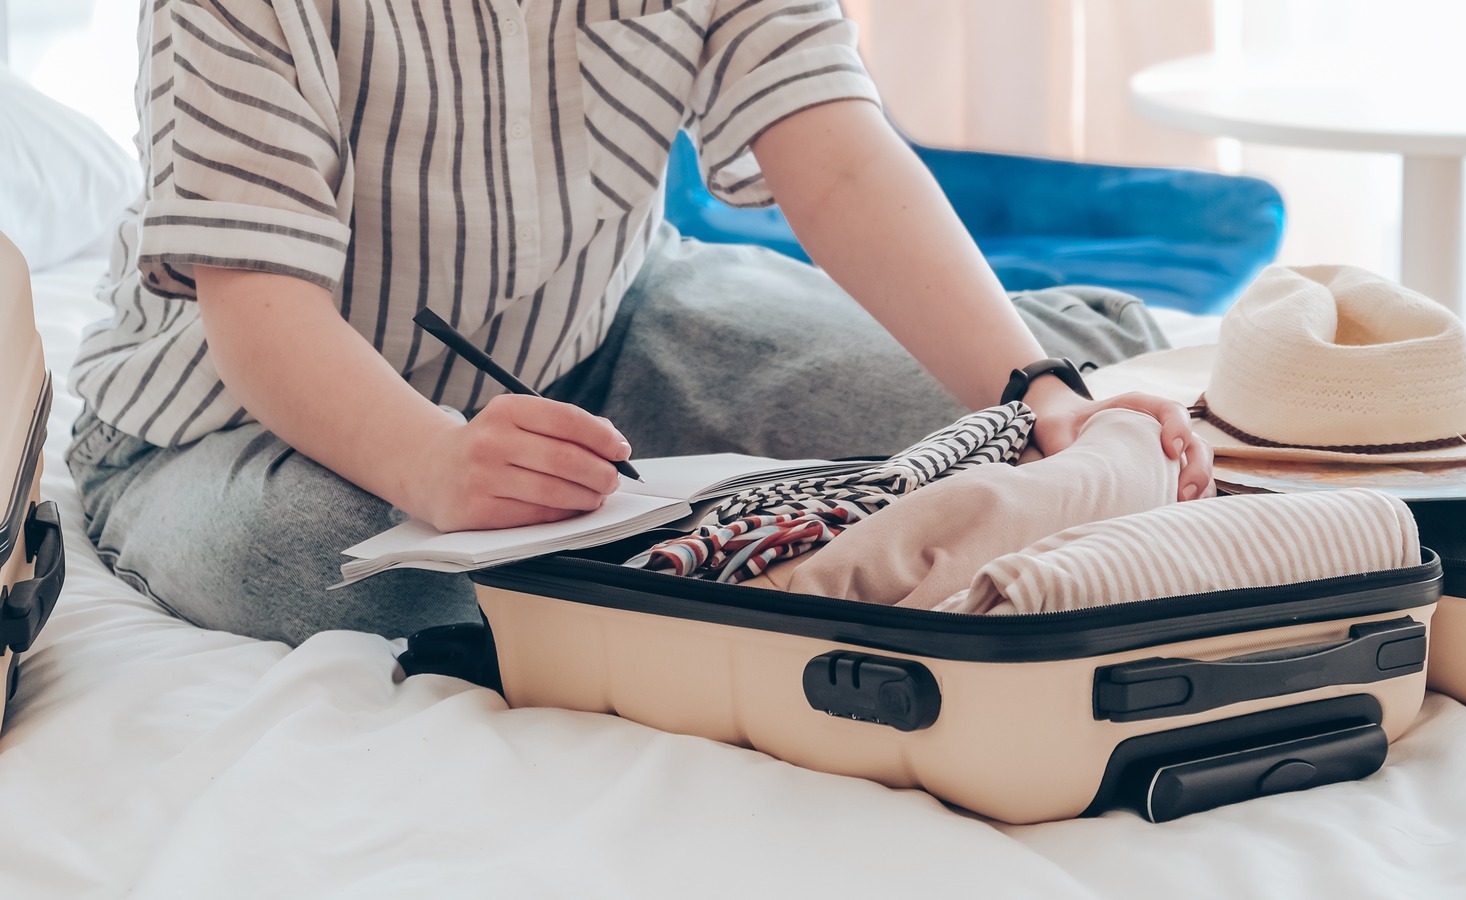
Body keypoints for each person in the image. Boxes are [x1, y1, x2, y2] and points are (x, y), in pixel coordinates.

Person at [66, 0, 1213, 645]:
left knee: (1027, 418)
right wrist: (430, 461)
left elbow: (839, 158)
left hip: (594, 327)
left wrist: (1031, 382)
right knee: (328, 565)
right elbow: (258, 304)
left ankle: (1074, 340)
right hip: (237, 413)